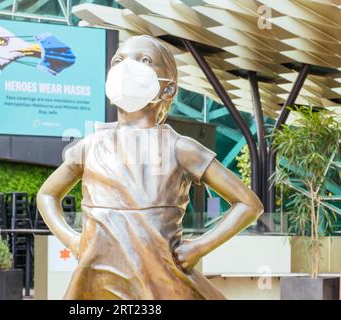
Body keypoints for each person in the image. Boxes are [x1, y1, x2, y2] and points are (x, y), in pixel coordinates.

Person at [37, 35, 264, 300]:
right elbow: (47, 194)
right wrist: (72, 240)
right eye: (118, 60)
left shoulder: (181, 148)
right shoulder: (90, 145)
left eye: (144, 60)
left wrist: (199, 248)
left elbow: (249, 204)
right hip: (95, 284)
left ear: (168, 90)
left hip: (162, 285)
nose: (127, 67)